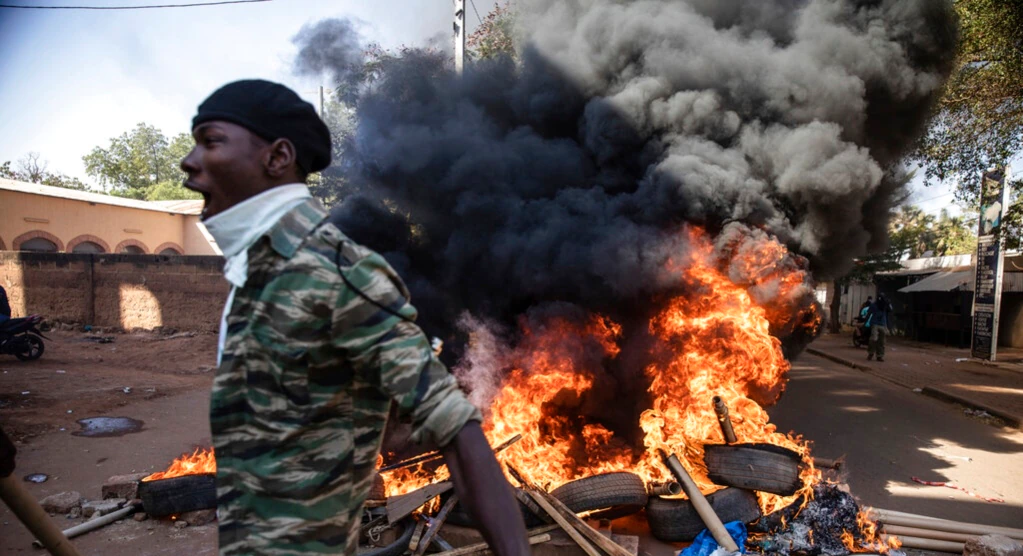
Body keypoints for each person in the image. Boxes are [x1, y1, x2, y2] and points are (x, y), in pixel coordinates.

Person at [181, 80, 529, 556]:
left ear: (277, 157)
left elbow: (459, 435)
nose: (189, 161)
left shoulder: (337, 273)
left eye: (211, 141)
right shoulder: (253, 277)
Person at [866, 293, 893, 362]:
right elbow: (869, 314)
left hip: (883, 324)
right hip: (875, 324)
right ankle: (871, 353)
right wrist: (865, 322)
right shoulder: (873, 305)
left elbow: (890, 310)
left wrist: (889, 303)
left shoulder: (885, 305)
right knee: (873, 339)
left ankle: (879, 356)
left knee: (882, 341)